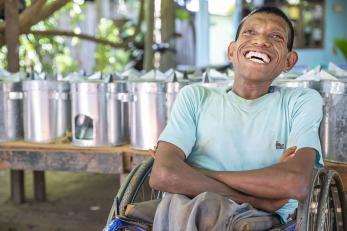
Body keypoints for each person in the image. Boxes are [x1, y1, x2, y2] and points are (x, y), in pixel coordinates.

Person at [149, 6, 323, 230]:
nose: (261, 42)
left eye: (276, 36)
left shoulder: (301, 102)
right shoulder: (195, 97)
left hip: (261, 220)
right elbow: (162, 174)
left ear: (288, 61)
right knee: (199, 205)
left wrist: (193, 171)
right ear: (231, 51)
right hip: (190, 206)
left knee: (206, 208)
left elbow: (295, 182)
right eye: (250, 33)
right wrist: (261, 197)